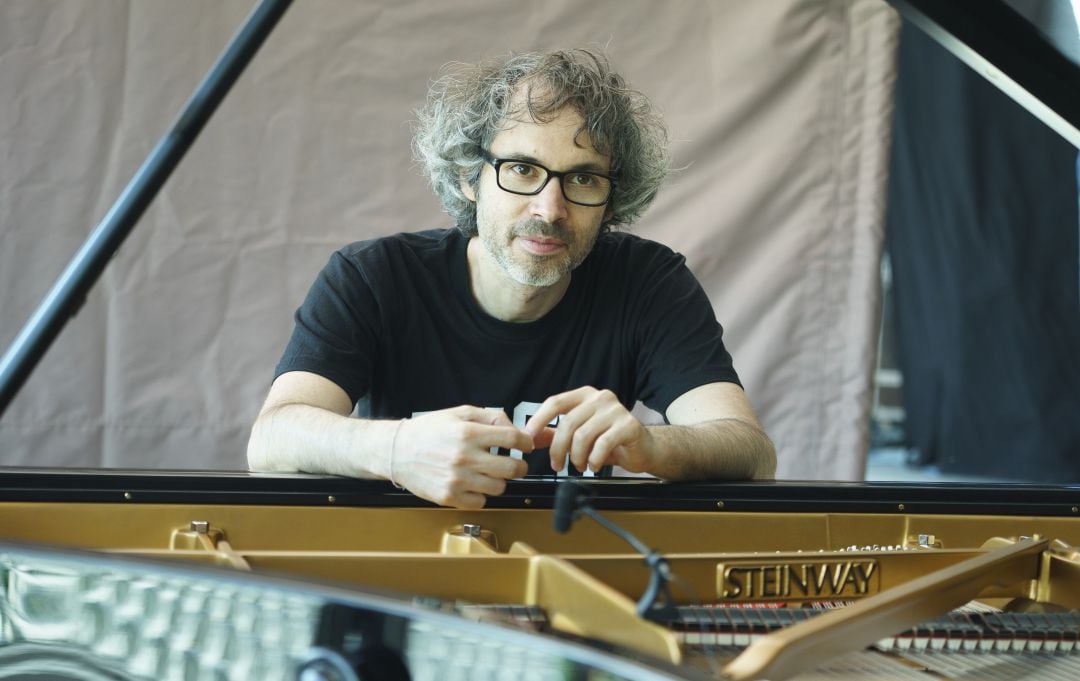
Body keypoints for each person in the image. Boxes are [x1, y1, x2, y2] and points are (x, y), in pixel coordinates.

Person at [247, 49, 776, 509]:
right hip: (403, 579)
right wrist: (395, 449)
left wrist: (652, 447)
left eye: (583, 178)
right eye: (522, 169)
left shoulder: (648, 282)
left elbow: (751, 452)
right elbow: (272, 440)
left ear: (612, 199)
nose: (550, 209)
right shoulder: (372, 277)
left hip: (579, 579)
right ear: (469, 177)